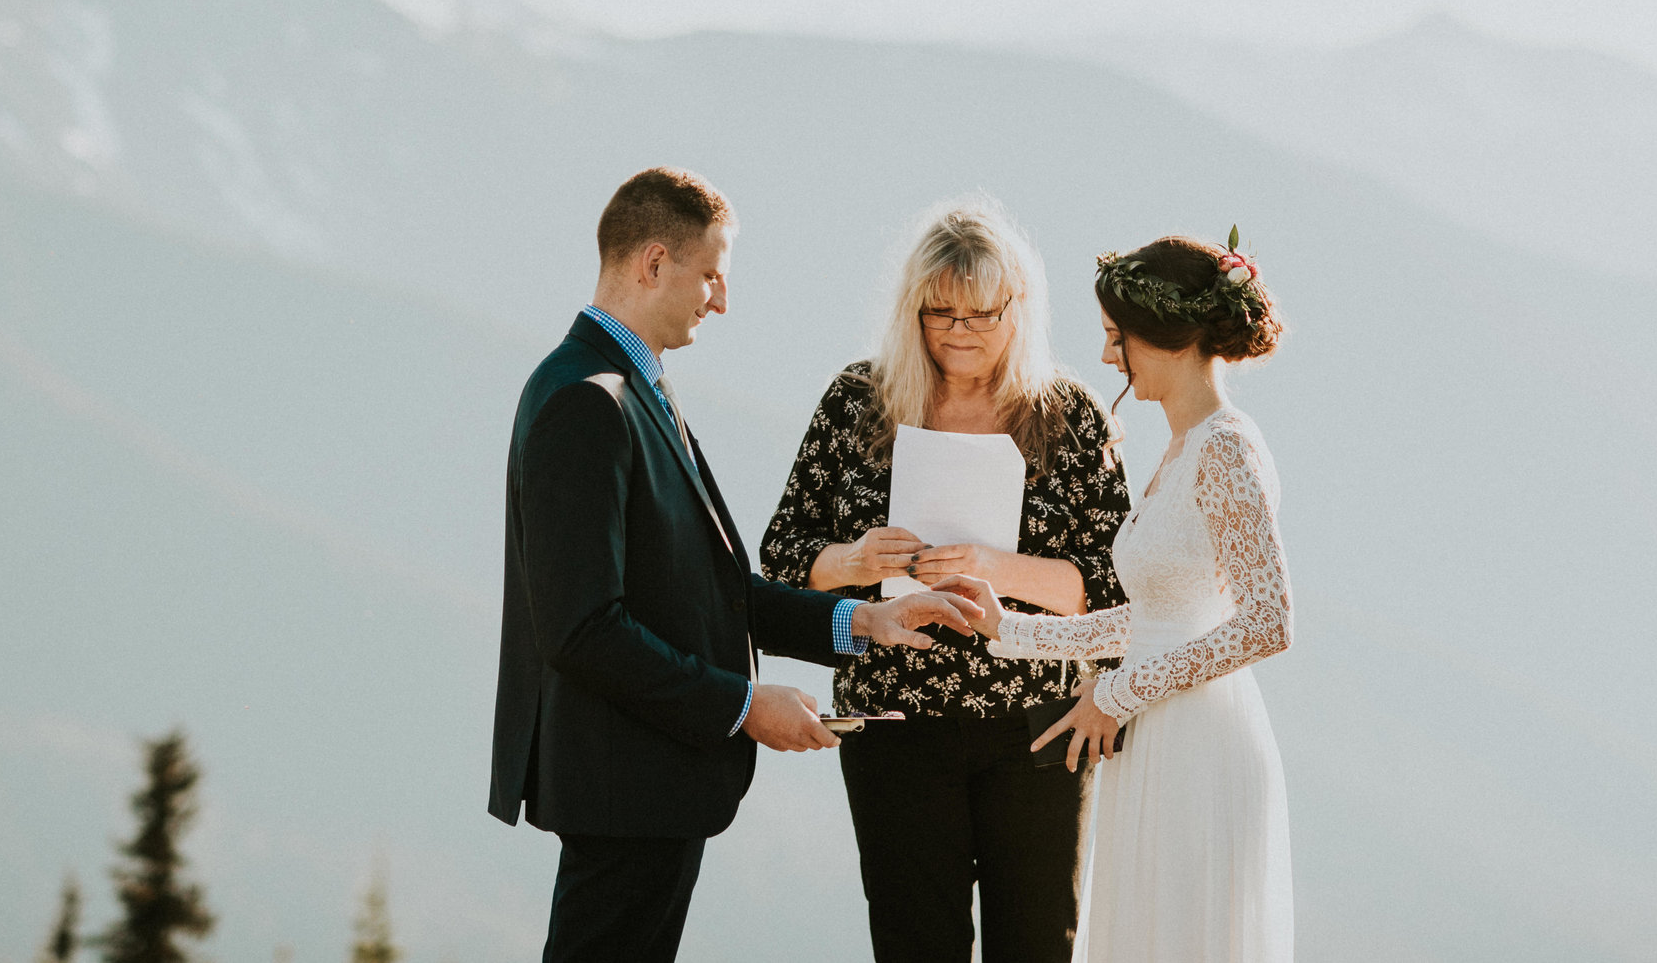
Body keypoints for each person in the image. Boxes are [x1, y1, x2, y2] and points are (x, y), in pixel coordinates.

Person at [488, 167, 985, 963]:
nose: (721, 299)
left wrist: (861, 620)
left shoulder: (633, 385)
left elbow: (708, 587)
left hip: (648, 780)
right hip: (624, 784)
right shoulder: (588, 398)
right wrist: (745, 704)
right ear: (654, 261)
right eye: (712, 273)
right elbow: (582, 628)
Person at [761, 201, 1133, 963]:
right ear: (912, 310)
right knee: (913, 942)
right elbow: (781, 554)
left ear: (1017, 310)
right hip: (895, 727)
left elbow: (1120, 587)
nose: (959, 328)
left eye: (981, 312)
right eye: (939, 311)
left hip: (1038, 726)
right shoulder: (856, 401)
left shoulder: (1072, 418)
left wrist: (993, 568)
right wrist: (857, 559)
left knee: (1037, 943)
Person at [943, 230, 1296, 963]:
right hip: (1155, 731)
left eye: (1117, 337)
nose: (1109, 358)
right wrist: (1008, 628)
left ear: (1164, 336)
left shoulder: (1226, 446)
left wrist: (1123, 691)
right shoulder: (1180, 446)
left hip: (1198, 738)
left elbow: (1268, 620)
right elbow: (1160, 614)